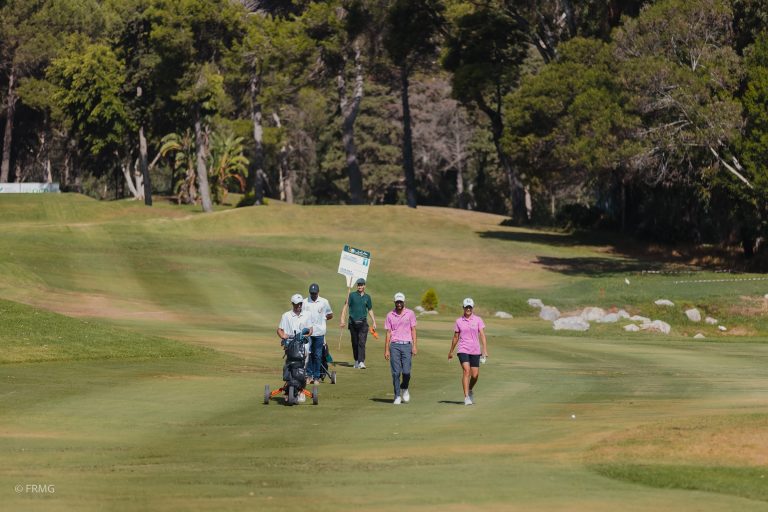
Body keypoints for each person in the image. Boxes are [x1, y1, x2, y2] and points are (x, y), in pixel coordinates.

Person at [447, 298, 488, 405]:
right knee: (466, 371)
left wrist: (484, 350)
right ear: (463, 308)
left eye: (470, 307)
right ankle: (466, 397)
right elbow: (456, 337)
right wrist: (451, 351)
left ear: (472, 308)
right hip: (463, 349)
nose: (468, 309)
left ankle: (469, 390)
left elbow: (482, 335)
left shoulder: (478, 320)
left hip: (475, 350)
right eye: (466, 307)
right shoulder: (459, 321)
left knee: (475, 375)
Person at [277, 293, 313, 403]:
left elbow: (310, 330)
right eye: (297, 304)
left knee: (302, 368)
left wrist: (305, 335)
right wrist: (283, 336)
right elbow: (280, 330)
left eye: (300, 304)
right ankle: (289, 391)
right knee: (290, 366)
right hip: (290, 345)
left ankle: (301, 391)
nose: (299, 306)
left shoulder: (307, 314)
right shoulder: (286, 315)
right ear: (293, 304)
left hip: (303, 345)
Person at [384, 292, 417, 404]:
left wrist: (414, 346)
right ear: (394, 302)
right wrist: (386, 349)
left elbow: (413, 330)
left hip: (407, 345)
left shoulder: (410, 313)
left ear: (404, 302)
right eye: (397, 302)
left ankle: (405, 387)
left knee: (406, 372)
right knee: (396, 372)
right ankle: (397, 395)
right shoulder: (390, 315)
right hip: (395, 345)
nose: (399, 304)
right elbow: (388, 333)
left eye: (400, 302)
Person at [340, 277, 376, 369]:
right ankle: (356, 360)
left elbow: (370, 309)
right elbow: (345, 307)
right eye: (358, 285)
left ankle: (361, 362)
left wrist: (374, 321)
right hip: (352, 322)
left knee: (362, 342)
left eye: (361, 285)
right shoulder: (351, 295)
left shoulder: (367, 297)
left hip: (363, 322)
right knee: (355, 342)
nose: (360, 286)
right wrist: (342, 320)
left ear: (364, 286)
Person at [303, 283, 333, 384]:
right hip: (308, 333)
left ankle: (316, 377)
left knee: (318, 354)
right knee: (309, 354)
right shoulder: (305, 302)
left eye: (315, 293)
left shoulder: (324, 302)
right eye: (312, 293)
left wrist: (323, 318)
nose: (313, 295)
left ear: (318, 293)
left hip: (320, 332)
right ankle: (309, 375)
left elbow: (330, 314)